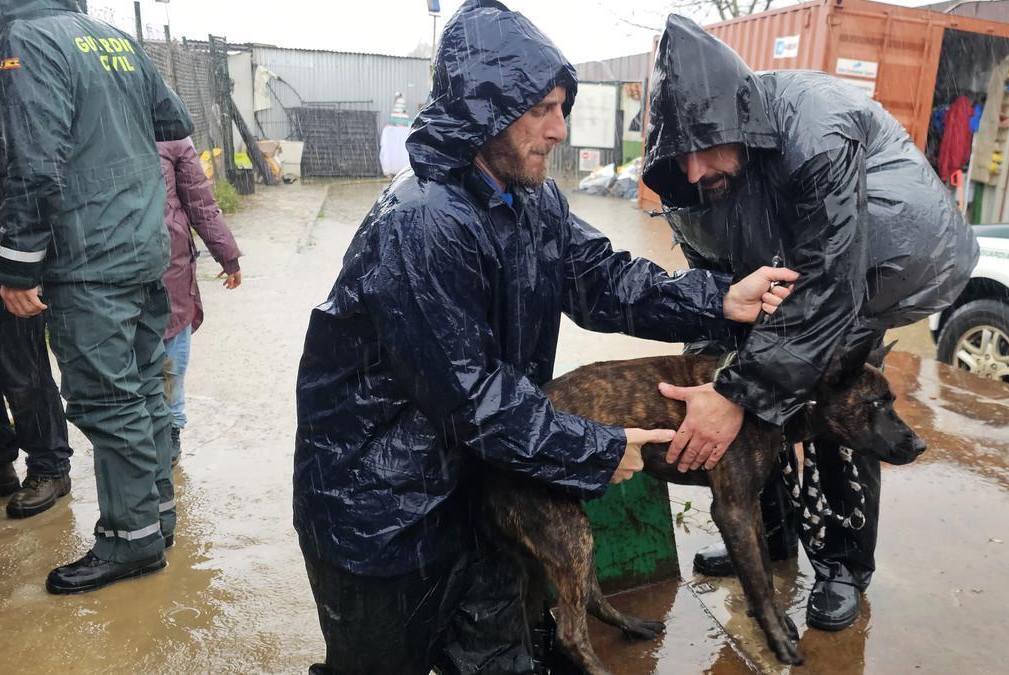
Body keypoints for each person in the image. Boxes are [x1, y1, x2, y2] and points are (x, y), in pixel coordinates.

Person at [292, 2, 797, 672]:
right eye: (542, 109)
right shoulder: (423, 225)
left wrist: (719, 299)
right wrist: (596, 447)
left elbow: (605, 280)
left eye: (564, 106)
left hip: (479, 483)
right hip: (381, 517)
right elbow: (475, 398)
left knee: (500, 655)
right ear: (483, 110)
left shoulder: (531, 200)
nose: (561, 129)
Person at [642, 15, 979, 632]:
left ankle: (842, 562)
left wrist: (741, 391)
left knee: (833, 399)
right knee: (746, 387)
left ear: (739, 123)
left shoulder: (815, 127)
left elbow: (828, 279)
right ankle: (768, 537)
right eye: (679, 158)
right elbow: (713, 293)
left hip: (881, 263)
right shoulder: (686, 183)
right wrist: (719, 377)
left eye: (705, 150)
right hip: (776, 271)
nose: (693, 172)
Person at [0, 0, 193, 594]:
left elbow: (33, 160)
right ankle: (155, 521)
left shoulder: (26, 37)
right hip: (140, 242)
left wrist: (18, 266)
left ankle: (130, 542)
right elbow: (173, 119)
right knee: (140, 388)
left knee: (108, 399)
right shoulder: (112, 36)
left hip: (89, 253)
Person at [0, 7, 72, 519]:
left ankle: (50, 464)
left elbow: (32, 175)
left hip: (0, 261)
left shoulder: (5, 88)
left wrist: (21, 262)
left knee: (23, 374)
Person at [158, 138, 243, 465]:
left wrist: (228, 255)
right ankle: (143, 430)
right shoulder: (94, 118)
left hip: (169, 263)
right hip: (120, 266)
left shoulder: (169, 134)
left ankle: (171, 426)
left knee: (172, 349)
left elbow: (200, 203)